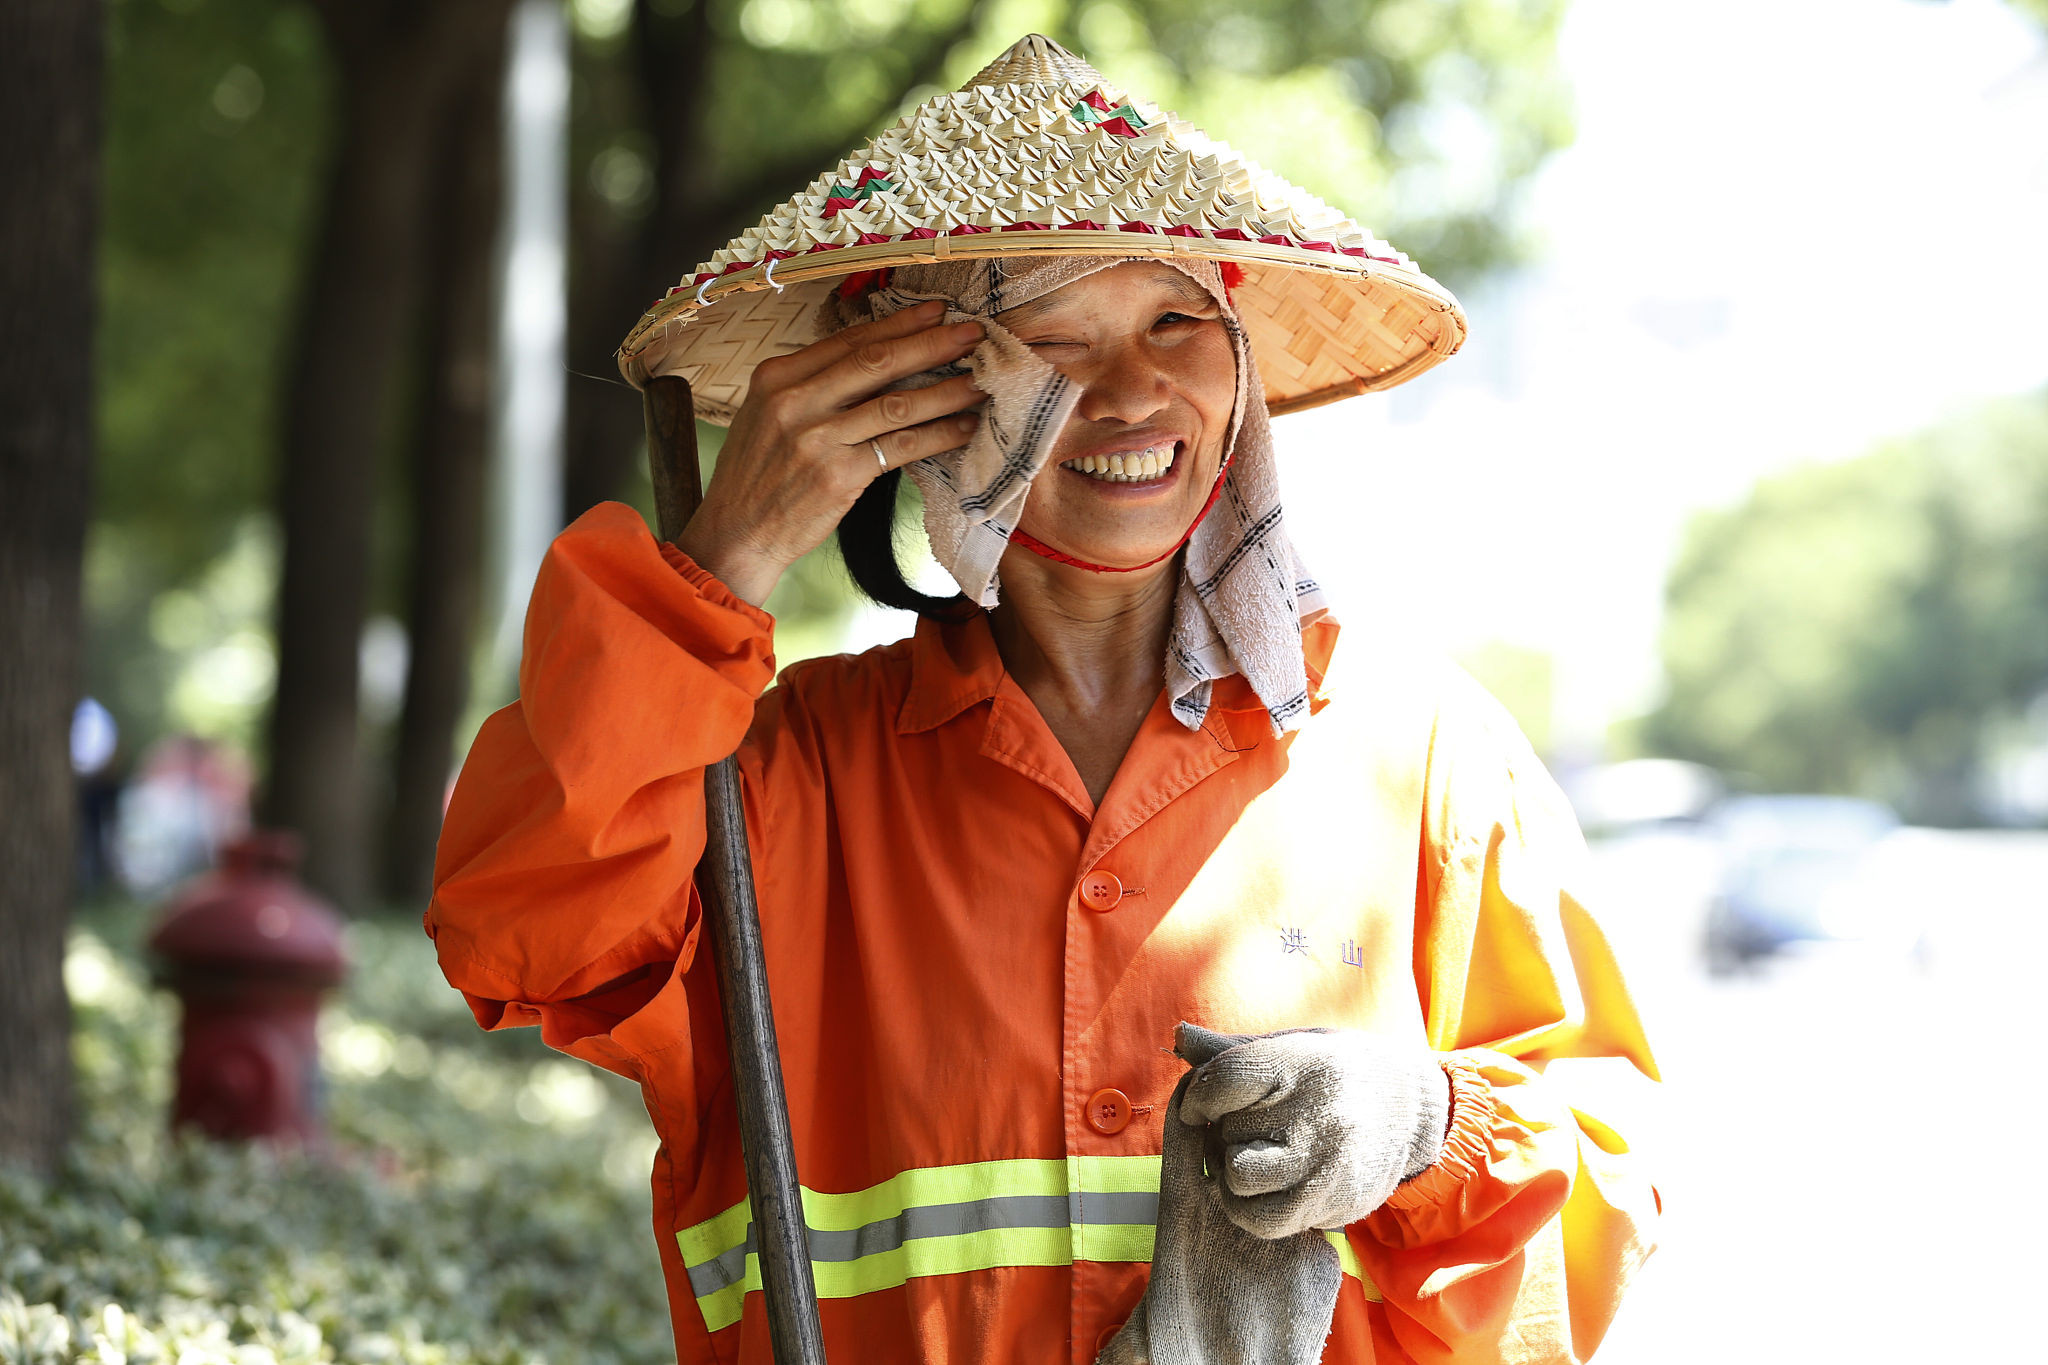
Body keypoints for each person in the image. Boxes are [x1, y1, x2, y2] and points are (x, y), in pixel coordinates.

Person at [428, 35, 1659, 1365]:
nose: (1133, 391)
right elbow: (526, 934)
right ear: (911, 401)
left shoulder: (1427, 759)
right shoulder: (771, 781)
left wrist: (1428, 1129)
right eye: (1052, 341)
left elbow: (1599, 1202)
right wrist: (718, 563)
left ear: (1238, 364)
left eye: (1176, 322)